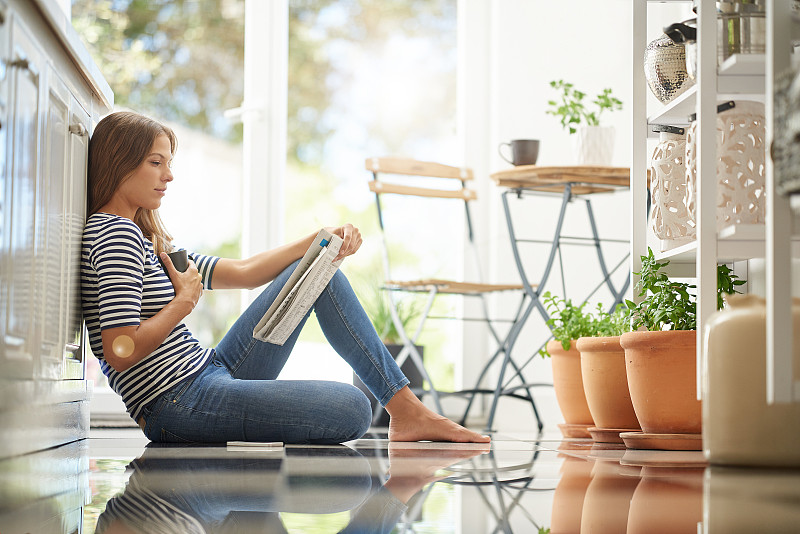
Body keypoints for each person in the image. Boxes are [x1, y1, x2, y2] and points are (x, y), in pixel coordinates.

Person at [81, 110, 490, 445]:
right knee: (350, 408)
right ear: (119, 162)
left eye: (169, 164)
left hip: (209, 373)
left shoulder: (147, 239)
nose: (168, 175)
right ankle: (406, 412)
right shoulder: (115, 234)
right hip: (177, 402)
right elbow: (120, 350)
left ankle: (407, 410)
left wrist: (317, 242)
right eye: (156, 163)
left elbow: (242, 273)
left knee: (317, 273)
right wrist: (182, 304)